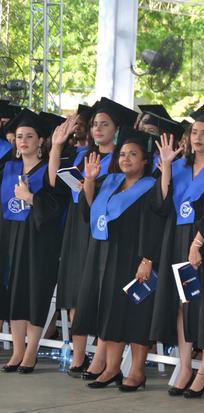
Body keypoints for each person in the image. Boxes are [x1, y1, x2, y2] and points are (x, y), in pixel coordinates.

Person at [55, 98, 139, 378]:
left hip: (102, 232)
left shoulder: (122, 158)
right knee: (76, 293)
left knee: (101, 297)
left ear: (117, 128)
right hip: (76, 230)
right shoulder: (83, 156)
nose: (97, 129)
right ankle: (78, 357)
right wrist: (57, 145)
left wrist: (90, 185)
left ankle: (99, 360)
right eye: (94, 124)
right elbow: (55, 183)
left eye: (105, 124)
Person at [77, 127, 163, 391]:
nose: (126, 158)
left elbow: (156, 225)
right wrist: (90, 179)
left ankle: (136, 372)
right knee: (110, 314)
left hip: (135, 258)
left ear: (145, 161)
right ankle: (112, 368)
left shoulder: (151, 188)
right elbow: (90, 213)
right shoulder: (110, 182)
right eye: (123, 154)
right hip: (106, 256)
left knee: (137, 315)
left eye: (133, 154)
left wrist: (148, 259)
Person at [149, 103, 204, 398]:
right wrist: (166, 167)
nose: (198, 137)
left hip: (203, 243)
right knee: (181, 305)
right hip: (175, 239)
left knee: (203, 306)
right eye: (195, 132)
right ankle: (185, 367)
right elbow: (161, 204)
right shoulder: (179, 166)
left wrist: (199, 243)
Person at [1, 109, 66, 374]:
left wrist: (30, 198)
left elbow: (55, 200)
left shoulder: (49, 168)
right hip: (11, 238)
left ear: (41, 141)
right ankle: (17, 352)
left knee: (36, 292)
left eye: (29, 136)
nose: (23, 141)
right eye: (19, 136)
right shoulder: (8, 167)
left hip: (40, 240)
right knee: (15, 293)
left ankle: (31, 352)